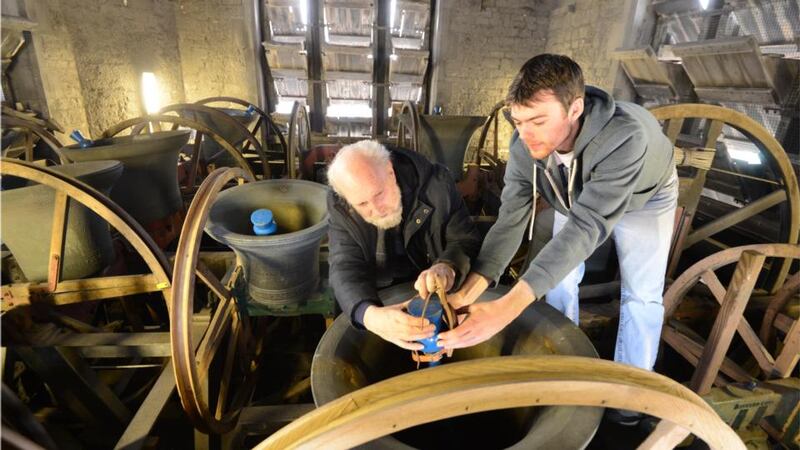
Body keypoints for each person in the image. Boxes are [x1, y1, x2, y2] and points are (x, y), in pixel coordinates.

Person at [438, 54, 678, 375]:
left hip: (644, 197)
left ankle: (632, 398)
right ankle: (561, 365)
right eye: (518, 121)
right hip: (576, 194)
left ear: (575, 109)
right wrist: (467, 293)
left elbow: (587, 227)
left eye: (538, 121)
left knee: (641, 295)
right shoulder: (524, 144)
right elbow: (511, 219)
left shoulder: (624, 139)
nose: (526, 135)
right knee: (559, 283)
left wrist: (505, 309)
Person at [327, 139, 481, 350]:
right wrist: (369, 316)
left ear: (390, 171)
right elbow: (344, 265)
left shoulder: (438, 185)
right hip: (377, 293)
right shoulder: (340, 203)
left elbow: (464, 239)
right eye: (362, 204)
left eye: (379, 194)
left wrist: (448, 266)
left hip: (435, 291)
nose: (377, 209)